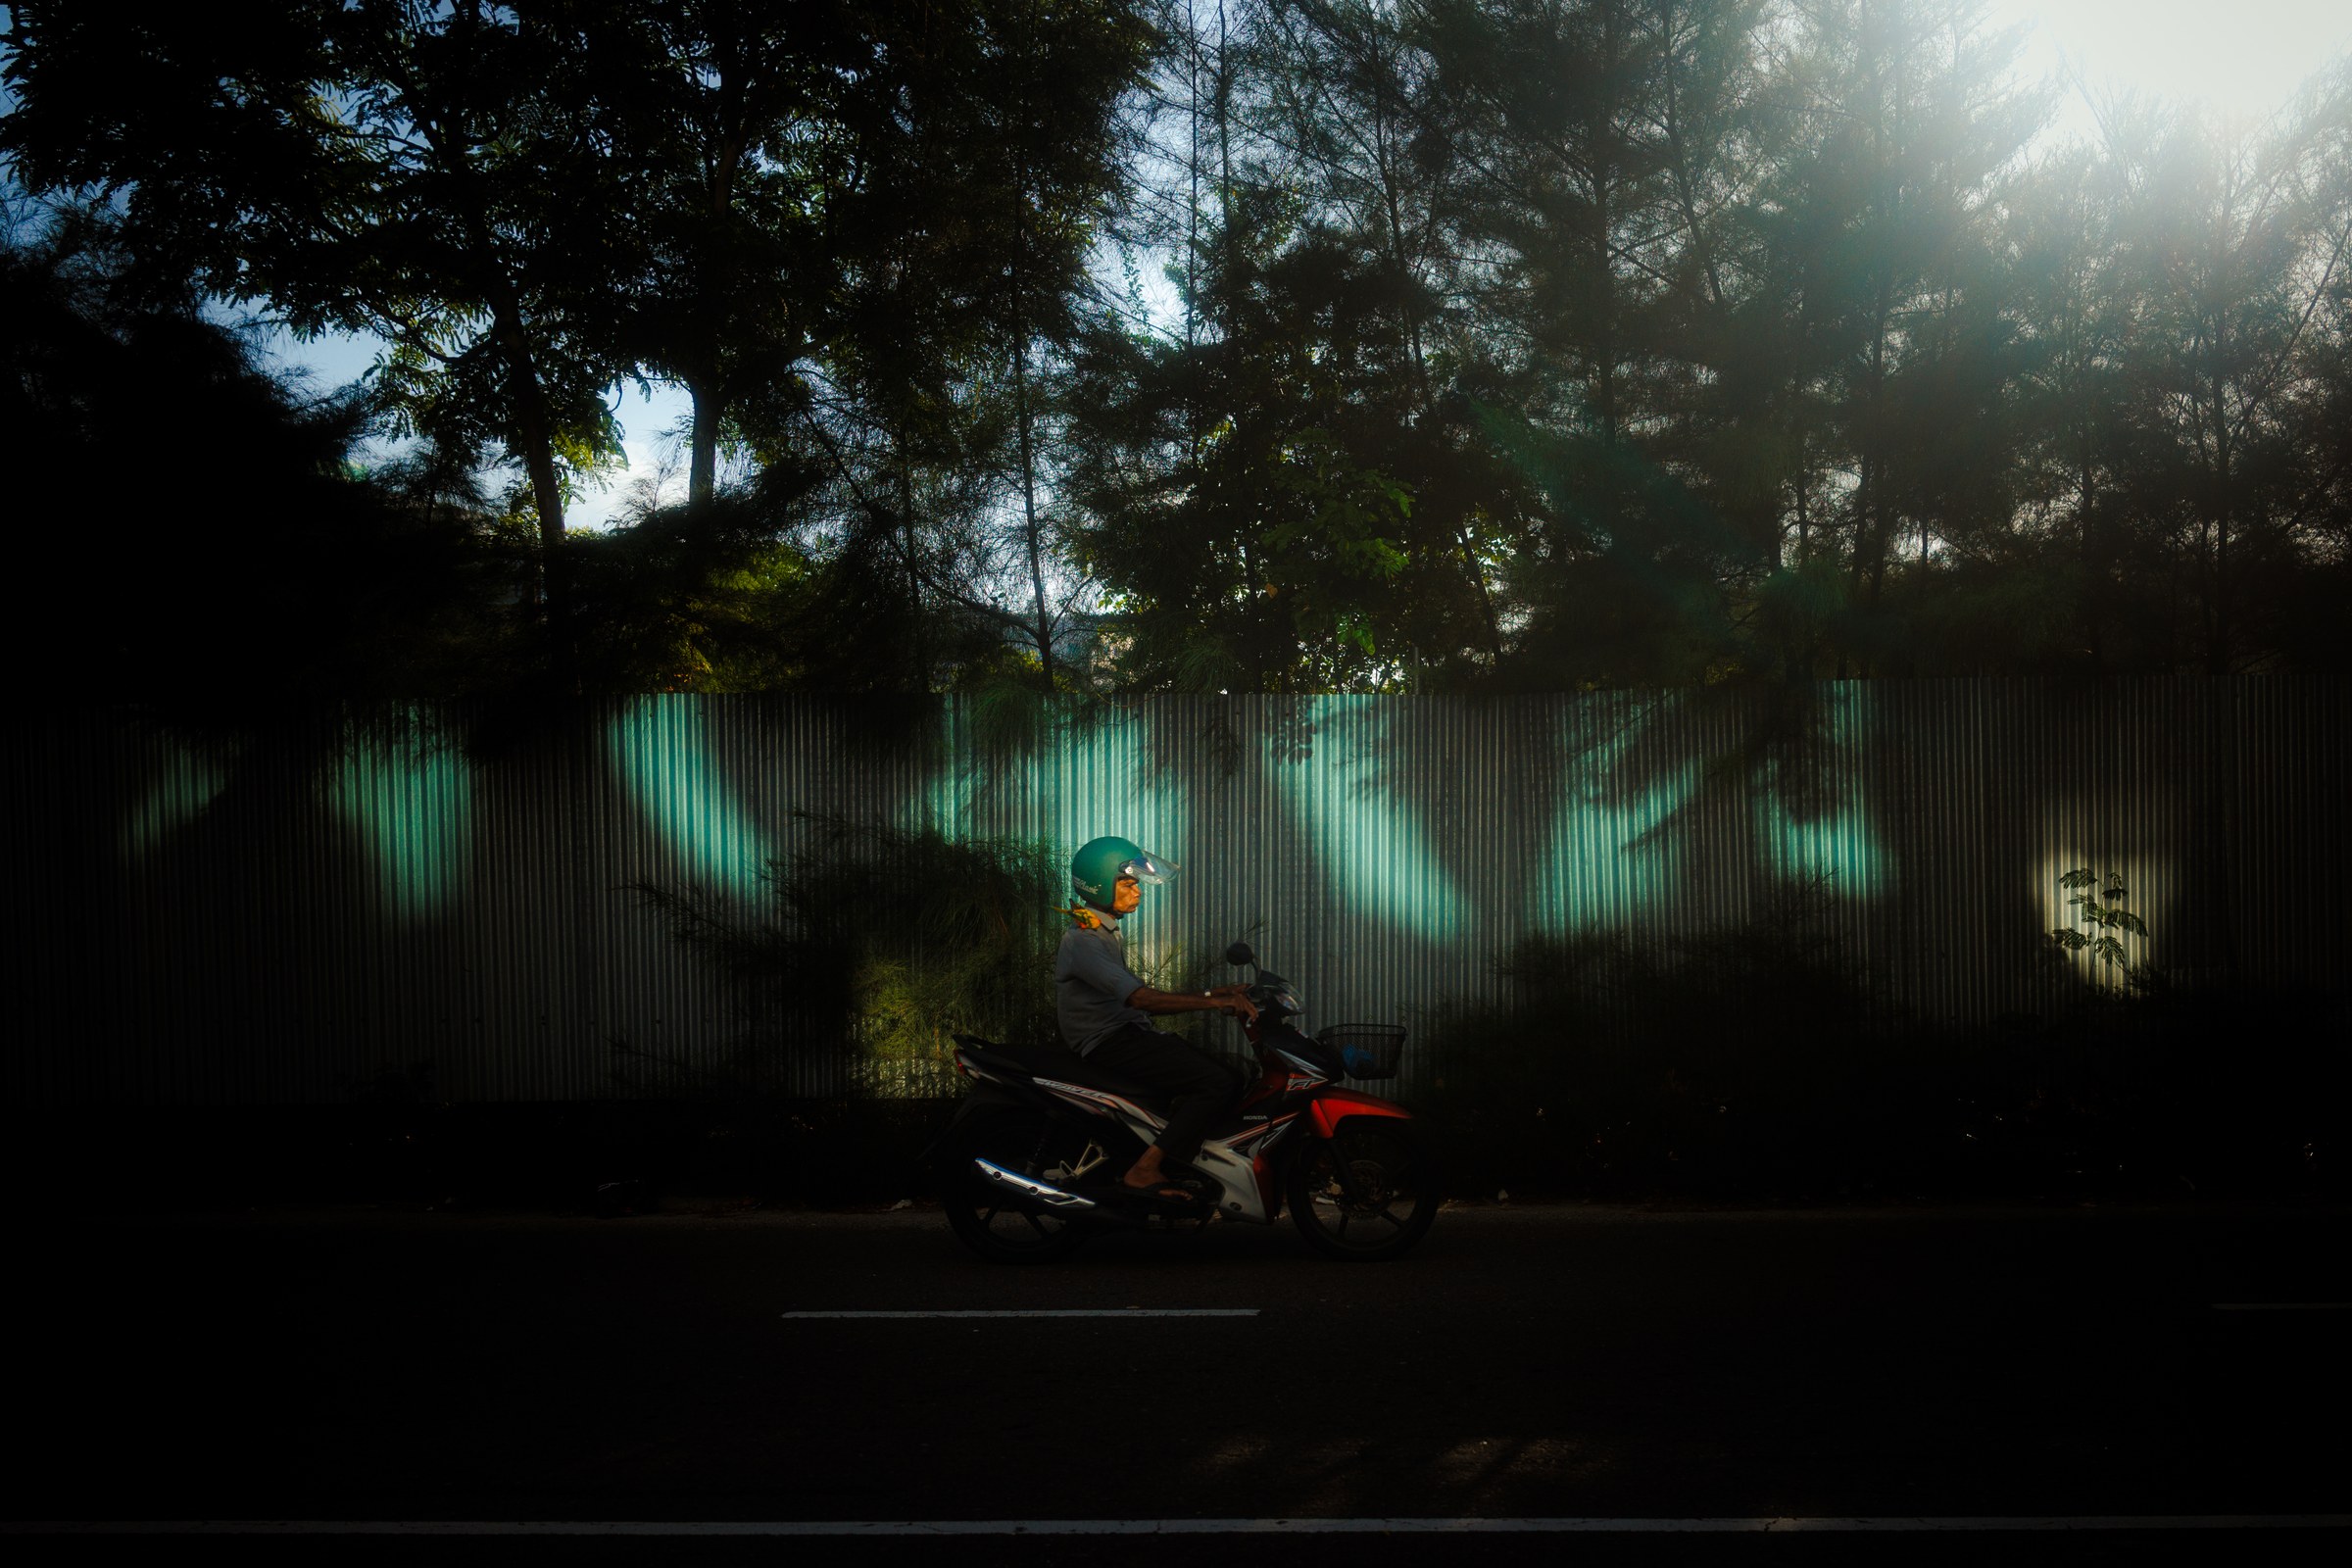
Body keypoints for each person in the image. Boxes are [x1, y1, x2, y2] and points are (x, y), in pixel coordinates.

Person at [1054, 836, 1257, 1203]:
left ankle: (1174, 1162)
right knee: (1216, 1082)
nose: (1137, 892)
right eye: (1129, 883)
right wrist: (1213, 1003)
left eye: (1136, 884)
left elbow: (1137, 995)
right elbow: (1140, 998)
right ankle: (1145, 1169)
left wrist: (1216, 993)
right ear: (1099, 884)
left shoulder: (1102, 932)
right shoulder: (1085, 941)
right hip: (1110, 1042)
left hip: (1124, 1034)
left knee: (1226, 1073)